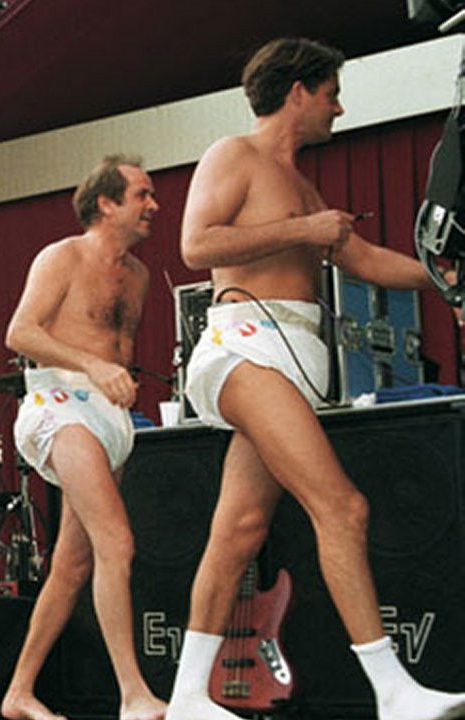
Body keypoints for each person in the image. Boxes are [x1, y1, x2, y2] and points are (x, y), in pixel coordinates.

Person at [165, 38, 465, 720]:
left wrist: (445, 280)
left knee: (239, 529)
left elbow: (365, 258)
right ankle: (393, 691)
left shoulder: (303, 187)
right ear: (297, 91)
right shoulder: (232, 155)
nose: (338, 108)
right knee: (343, 507)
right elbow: (196, 244)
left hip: (286, 360)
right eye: (331, 94)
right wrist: (304, 229)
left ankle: (185, 699)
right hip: (242, 348)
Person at [0, 156, 167, 720]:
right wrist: (93, 366)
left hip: (109, 420)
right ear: (106, 203)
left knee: (73, 565)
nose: (154, 206)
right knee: (116, 543)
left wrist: (114, 379)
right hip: (58, 404)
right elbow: (20, 332)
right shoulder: (62, 256)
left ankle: (19, 692)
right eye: (142, 195)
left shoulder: (140, 275)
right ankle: (133, 694)